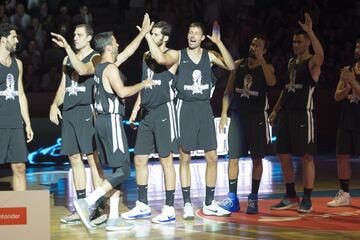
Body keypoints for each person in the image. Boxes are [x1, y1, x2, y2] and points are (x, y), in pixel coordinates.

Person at [74, 30, 154, 231]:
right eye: (116, 41)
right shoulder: (110, 69)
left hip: (101, 122)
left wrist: (143, 33)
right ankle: (87, 202)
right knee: (125, 170)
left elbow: (127, 52)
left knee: (117, 171)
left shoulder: (101, 66)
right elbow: (123, 91)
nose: (118, 44)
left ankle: (113, 218)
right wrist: (144, 83)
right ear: (109, 47)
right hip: (111, 121)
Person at [121, 20, 178, 224]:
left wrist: (145, 35)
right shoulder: (145, 56)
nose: (152, 37)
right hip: (146, 112)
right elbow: (146, 83)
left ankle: (169, 207)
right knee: (139, 159)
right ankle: (142, 205)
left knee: (166, 160)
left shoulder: (173, 54)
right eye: (151, 33)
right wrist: (136, 109)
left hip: (164, 111)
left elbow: (161, 58)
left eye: (155, 34)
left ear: (165, 38)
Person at [49, 23, 106, 225]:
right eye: (74, 35)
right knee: (74, 159)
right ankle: (81, 206)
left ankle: (99, 207)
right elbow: (64, 85)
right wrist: (54, 104)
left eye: (79, 35)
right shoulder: (67, 59)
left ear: (89, 38)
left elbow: (82, 71)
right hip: (69, 112)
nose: (75, 38)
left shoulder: (95, 57)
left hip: (86, 111)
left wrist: (66, 48)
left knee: (92, 159)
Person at [269, 13, 324, 213]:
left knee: (306, 156)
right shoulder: (292, 62)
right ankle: (291, 195)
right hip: (287, 114)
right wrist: (275, 110)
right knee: (282, 154)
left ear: (307, 42)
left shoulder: (311, 63)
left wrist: (310, 30)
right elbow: (286, 89)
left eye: (299, 41)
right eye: (293, 41)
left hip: (304, 114)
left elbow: (321, 57)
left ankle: (307, 198)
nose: (295, 44)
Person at [218, 35, 276, 214]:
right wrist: (223, 113)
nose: (253, 47)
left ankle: (253, 198)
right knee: (232, 158)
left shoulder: (267, 67)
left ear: (264, 50)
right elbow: (228, 91)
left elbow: (272, 82)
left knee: (257, 159)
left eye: (258, 46)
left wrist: (261, 60)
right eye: (252, 44)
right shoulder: (238, 64)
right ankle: (233, 198)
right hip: (237, 116)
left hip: (257, 117)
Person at [0, 23, 33, 191]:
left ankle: (22, 210)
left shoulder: (17, 63)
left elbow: (20, 94)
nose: (17, 40)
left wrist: (27, 123)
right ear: (3, 39)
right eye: (13, 37)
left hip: (14, 122)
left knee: (20, 166)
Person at [327, 39, 360, 207]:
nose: (357, 49)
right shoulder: (348, 70)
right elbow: (336, 96)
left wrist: (353, 82)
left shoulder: (351, 75)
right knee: (342, 156)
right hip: (347, 118)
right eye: (356, 46)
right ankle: (345, 193)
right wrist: (347, 87)